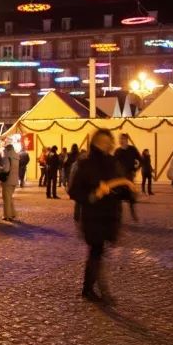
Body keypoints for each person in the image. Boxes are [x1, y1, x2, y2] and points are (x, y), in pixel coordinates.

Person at [67, 129, 136, 303]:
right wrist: (92, 195)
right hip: (93, 215)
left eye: (108, 141)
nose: (105, 145)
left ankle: (90, 288)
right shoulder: (85, 164)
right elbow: (74, 191)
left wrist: (128, 192)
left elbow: (121, 186)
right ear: (94, 143)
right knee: (96, 251)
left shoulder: (114, 162)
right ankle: (93, 289)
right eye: (101, 141)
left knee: (98, 252)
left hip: (111, 214)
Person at [115, 133, 142, 220]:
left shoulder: (132, 149)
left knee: (131, 196)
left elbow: (141, 160)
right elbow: (113, 163)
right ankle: (119, 214)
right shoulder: (117, 151)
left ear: (127, 140)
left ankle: (132, 212)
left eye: (122, 139)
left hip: (129, 176)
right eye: (120, 139)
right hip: (119, 177)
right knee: (118, 196)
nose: (121, 141)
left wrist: (135, 170)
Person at [0, 143, 20, 221]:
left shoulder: (7, 157)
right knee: (9, 197)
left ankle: (7, 215)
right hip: (14, 179)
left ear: (7, 149)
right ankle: (12, 213)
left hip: (7, 180)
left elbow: (6, 169)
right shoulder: (16, 156)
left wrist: (1, 168)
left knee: (6, 198)